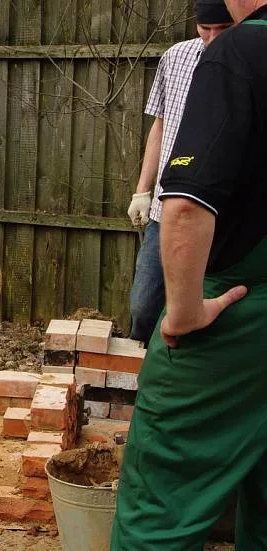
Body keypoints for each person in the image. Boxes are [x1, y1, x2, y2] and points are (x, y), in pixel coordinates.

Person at [112, 0, 267, 548]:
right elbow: (161, 128)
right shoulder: (185, 58)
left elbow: (187, 207)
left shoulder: (242, 51)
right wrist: (142, 188)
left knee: (163, 500)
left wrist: (184, 314)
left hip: (235, 293)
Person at [127, 0, 233, 345]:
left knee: (207, 317)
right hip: (164, 212)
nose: (213, 39)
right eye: (206, 30)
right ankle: (139, 376)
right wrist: (142, 191)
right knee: (144, 307)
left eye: (223, 30)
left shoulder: (248, 62)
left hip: (222, 218)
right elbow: (160, 124)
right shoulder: (175, 58)